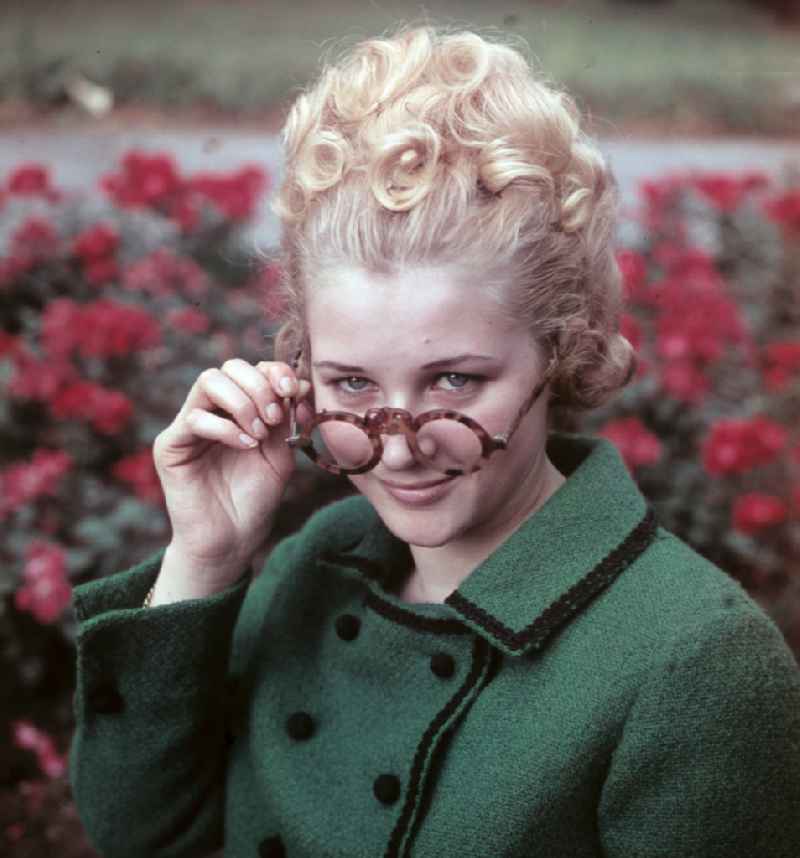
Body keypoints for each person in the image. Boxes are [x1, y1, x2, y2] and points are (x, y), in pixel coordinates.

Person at [68, 22, 800, 858]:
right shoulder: (314, 562)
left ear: (561, 349)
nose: (400, 447)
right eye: (351, 385)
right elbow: (143, 833)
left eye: (455, 381)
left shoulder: (697, 659)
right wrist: (202, 559)